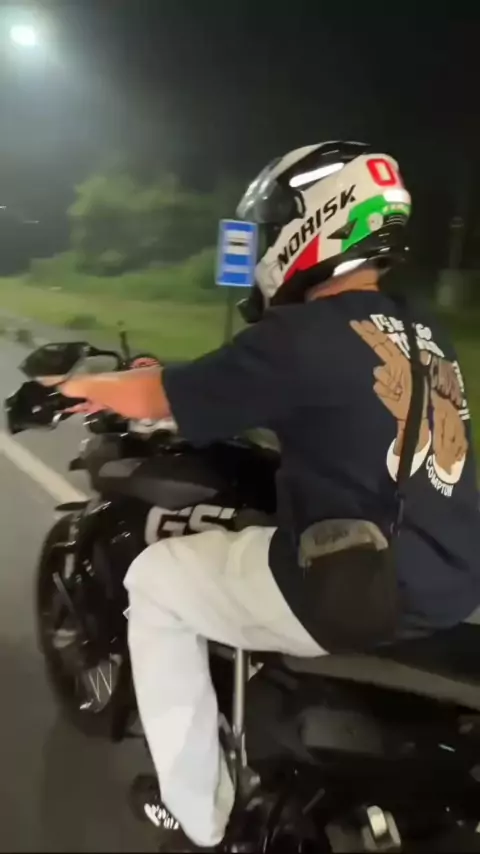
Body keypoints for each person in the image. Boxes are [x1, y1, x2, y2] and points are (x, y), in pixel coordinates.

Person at [55, 141, 480, 851]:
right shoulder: (421, 331)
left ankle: (199, 812)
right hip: (453, 575)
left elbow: (158, 398)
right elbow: (330, 403)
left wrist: (73, 386)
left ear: (317, 221)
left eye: (278, 221)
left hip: (359, 587)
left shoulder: (302, 333)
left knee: (158, 581)